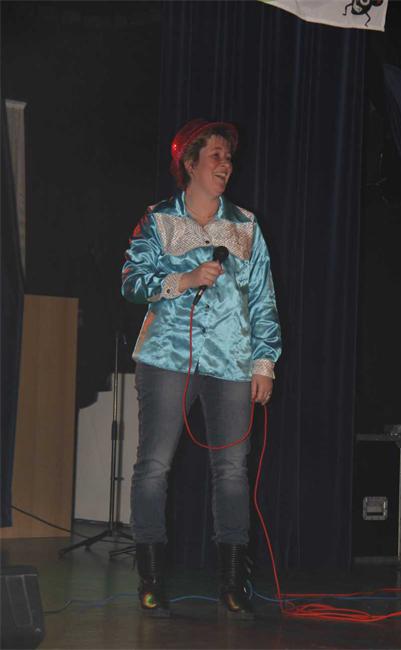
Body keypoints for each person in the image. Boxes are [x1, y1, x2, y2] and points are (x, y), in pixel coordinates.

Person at [121, 118, 281, 619]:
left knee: (232, 470)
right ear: (189, 163)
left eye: (228, 158)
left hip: (231, 362)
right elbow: (131, 281)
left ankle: (233, 583)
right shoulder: (158, 220)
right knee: (154, 466)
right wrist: (183, 279)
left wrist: (264, 363)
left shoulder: (245, 225)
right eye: (215, 156)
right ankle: (150, 578)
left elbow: (263, 299)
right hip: (167, 358)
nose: (225, 165)